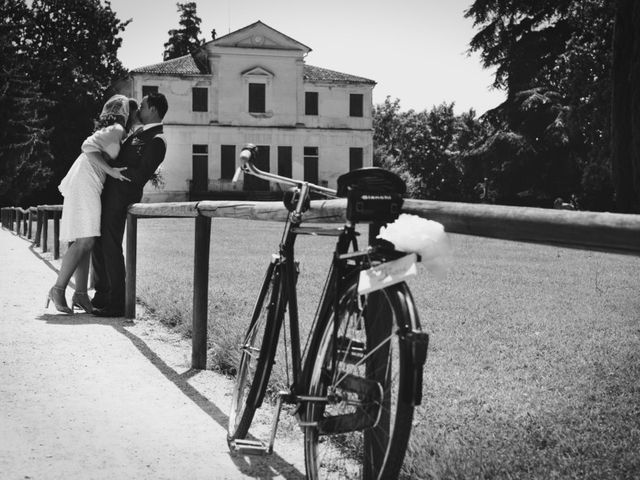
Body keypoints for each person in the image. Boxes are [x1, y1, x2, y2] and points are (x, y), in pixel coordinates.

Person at [46, 94, 133, 314]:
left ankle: (81, 294)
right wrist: (111, 170)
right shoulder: (117, 129)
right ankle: (58, 289)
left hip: (90, 180)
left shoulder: (117, 132)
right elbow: (87, 146)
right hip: (87, 179)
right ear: (124, 113)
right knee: (85, 240)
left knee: (87, 240)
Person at [91, 92, 169, 317]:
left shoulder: (157, 139)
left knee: (111, 245)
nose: (138, 110)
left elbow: (142, 173)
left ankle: (117, 304)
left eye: (142, 106)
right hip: (110, 193)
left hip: (123, 195)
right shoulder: (139, 133)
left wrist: (117, 174)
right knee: (99, 242)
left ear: (153, 109)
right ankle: (102, 295)